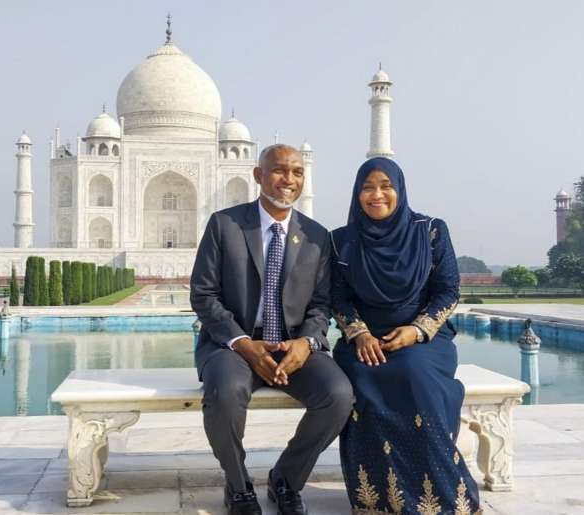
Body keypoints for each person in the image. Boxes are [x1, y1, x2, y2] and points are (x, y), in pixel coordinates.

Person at [191, 144, 354, 515]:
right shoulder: (226, 224)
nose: (289, 180)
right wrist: (244, 343)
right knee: (226, 391)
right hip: (233, 347)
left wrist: (307, 342)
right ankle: (238, 486)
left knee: (339, 394)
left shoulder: (316, 235)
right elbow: (203, 294)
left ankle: (286, 479)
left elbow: (320, 303)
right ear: (258, 175)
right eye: (280, 170)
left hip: (292, 347)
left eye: (297, 172)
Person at [331, 157, 482, 515]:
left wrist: (416, 330)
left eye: (386, 185)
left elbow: (448, 291)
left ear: (399, 189)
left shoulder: (430, 230)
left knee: (413, 374)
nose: (377, 194)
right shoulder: (341, 241)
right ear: (357, 193)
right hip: (365, 341)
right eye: (367, 187)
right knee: (362, 378)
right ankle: (378, 499)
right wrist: (360, 334)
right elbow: (337, 297)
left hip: (424, 340)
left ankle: (444, 496)